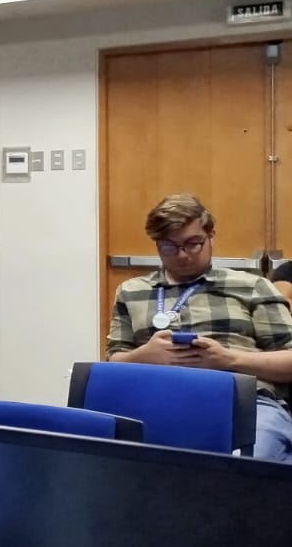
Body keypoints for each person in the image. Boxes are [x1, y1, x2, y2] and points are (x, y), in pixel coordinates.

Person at [106, 193, 292, 464]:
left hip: (243, 404)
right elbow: (112, 363)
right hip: (156, 402)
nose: (183, 255)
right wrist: (144, 356)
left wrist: (228, 359)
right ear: (157, 244)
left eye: (193, 243)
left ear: (211, 236)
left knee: (241, 469)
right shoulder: (131, 291)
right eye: (169, 246)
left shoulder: (252, 286)